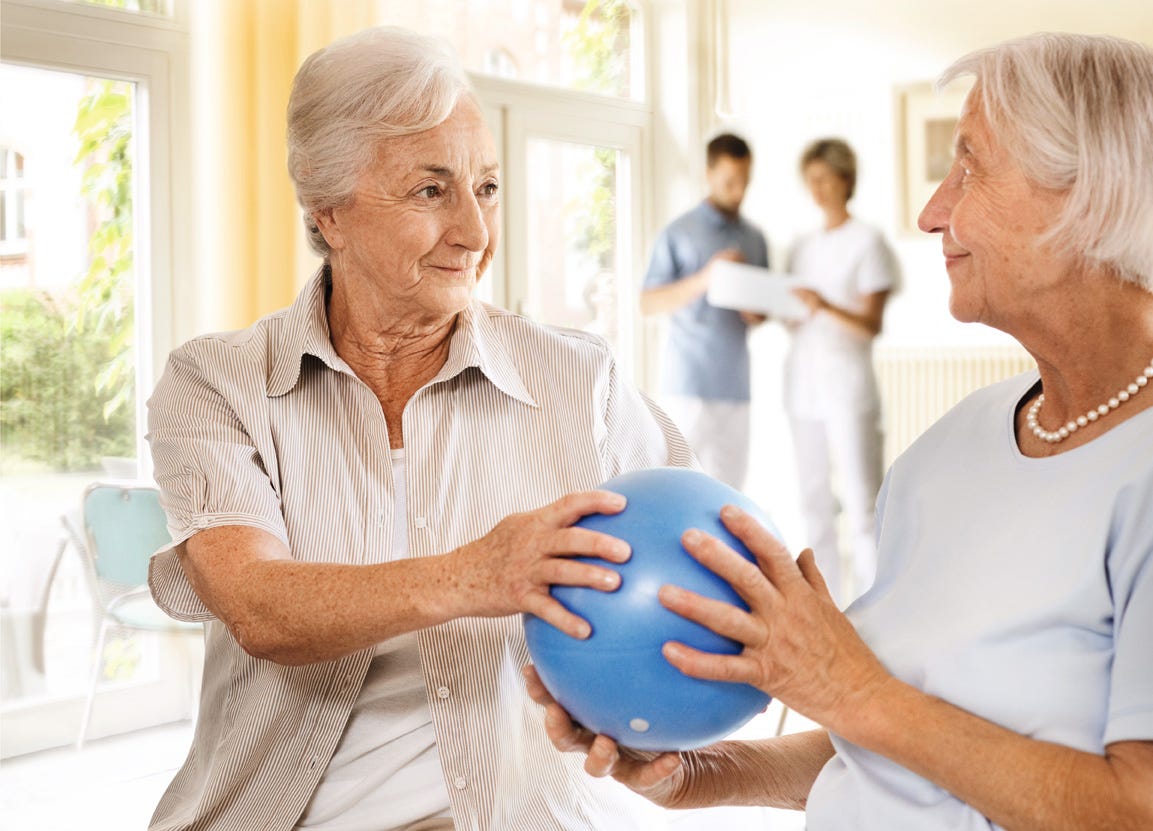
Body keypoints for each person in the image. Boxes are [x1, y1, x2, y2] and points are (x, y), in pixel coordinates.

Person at [528, 32, 1153, 830]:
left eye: (969, 168)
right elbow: (891, 748)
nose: (932, 212)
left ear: (1088, 197)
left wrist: (849, 687)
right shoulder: (949, 448)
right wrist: (698, 776)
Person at [145, 26, 692, 831]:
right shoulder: (217, 383)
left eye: (488, 187)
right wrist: (482, 572)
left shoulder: (580, 381)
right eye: (431, 191)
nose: (475, 231)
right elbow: (259, 607)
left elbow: (697, 557)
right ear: (328, 212)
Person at [784, 138, 899, 604]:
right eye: (809, 180)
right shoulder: (802, 246)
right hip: (802, 383)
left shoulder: (868, 242)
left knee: (861, 501)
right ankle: (825, 605)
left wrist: (824, 305)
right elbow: (793, 313)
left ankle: (872, 607)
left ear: (845, 180)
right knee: (814, 500)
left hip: (848, 384)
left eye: (823, 179)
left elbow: (870, 324)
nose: (815, 189)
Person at [640, 133, 770, 492]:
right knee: (680, 490)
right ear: (708, 173)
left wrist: (750, 302)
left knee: (731, 495)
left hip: (736, 386)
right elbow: (648, 302)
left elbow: (761, 316)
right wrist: (707, 279)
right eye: (729, 181)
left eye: (744, 181)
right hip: (688, 386)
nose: (738, 190)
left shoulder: (754, 239)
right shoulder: (678, 232)